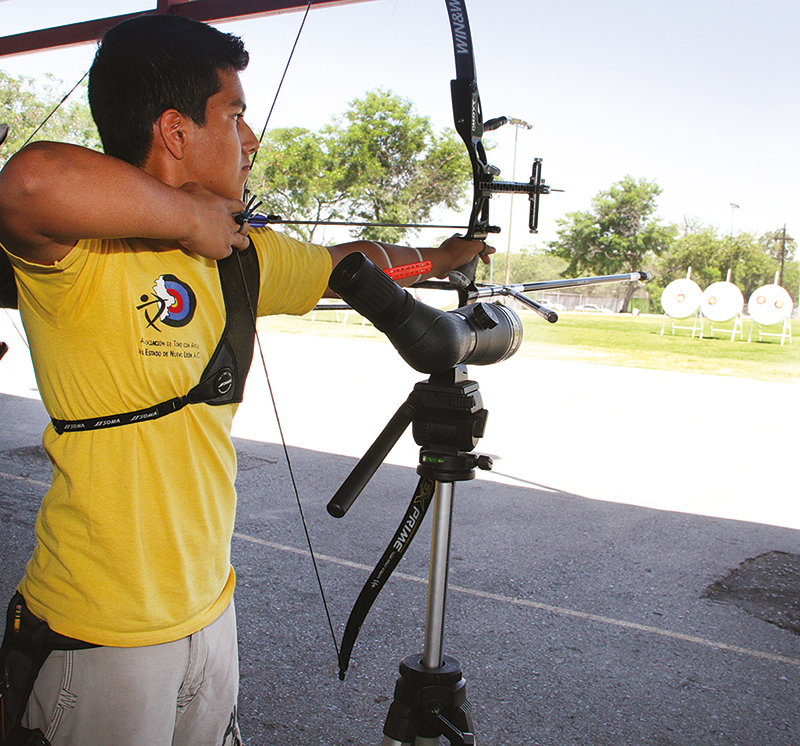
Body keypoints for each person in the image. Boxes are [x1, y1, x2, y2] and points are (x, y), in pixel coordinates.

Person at [0, 14, 489, 746]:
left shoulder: (243, 256)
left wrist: (436, 259)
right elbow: (29, 181)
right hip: (100, 626)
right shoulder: (81, 251)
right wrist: (184, 218)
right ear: (175, 131)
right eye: (234, 115)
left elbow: (347, 266)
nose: (251, 139)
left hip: (209, 609)